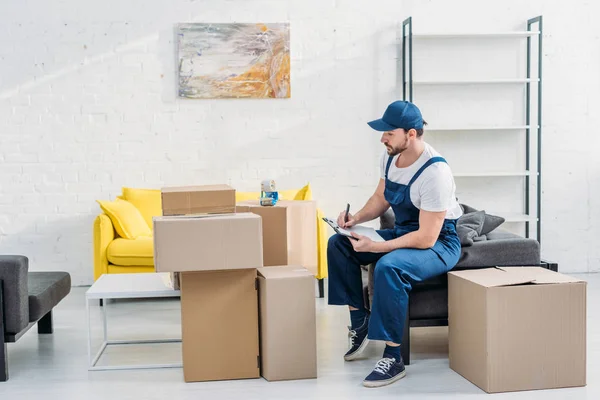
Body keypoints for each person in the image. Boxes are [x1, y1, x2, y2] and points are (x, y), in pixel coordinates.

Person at [327, 100, 462, 388]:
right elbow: (380, 199)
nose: (382, 138)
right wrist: (355, 219)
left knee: (388, 266)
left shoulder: (435, 173)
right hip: (405, 231)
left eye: (389, 132)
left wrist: (377, 247)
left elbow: (426, 237)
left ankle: (393, 357)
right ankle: (360, 323)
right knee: (339, 243)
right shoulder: (389, 157)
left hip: (439, 242)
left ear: (411, 134)